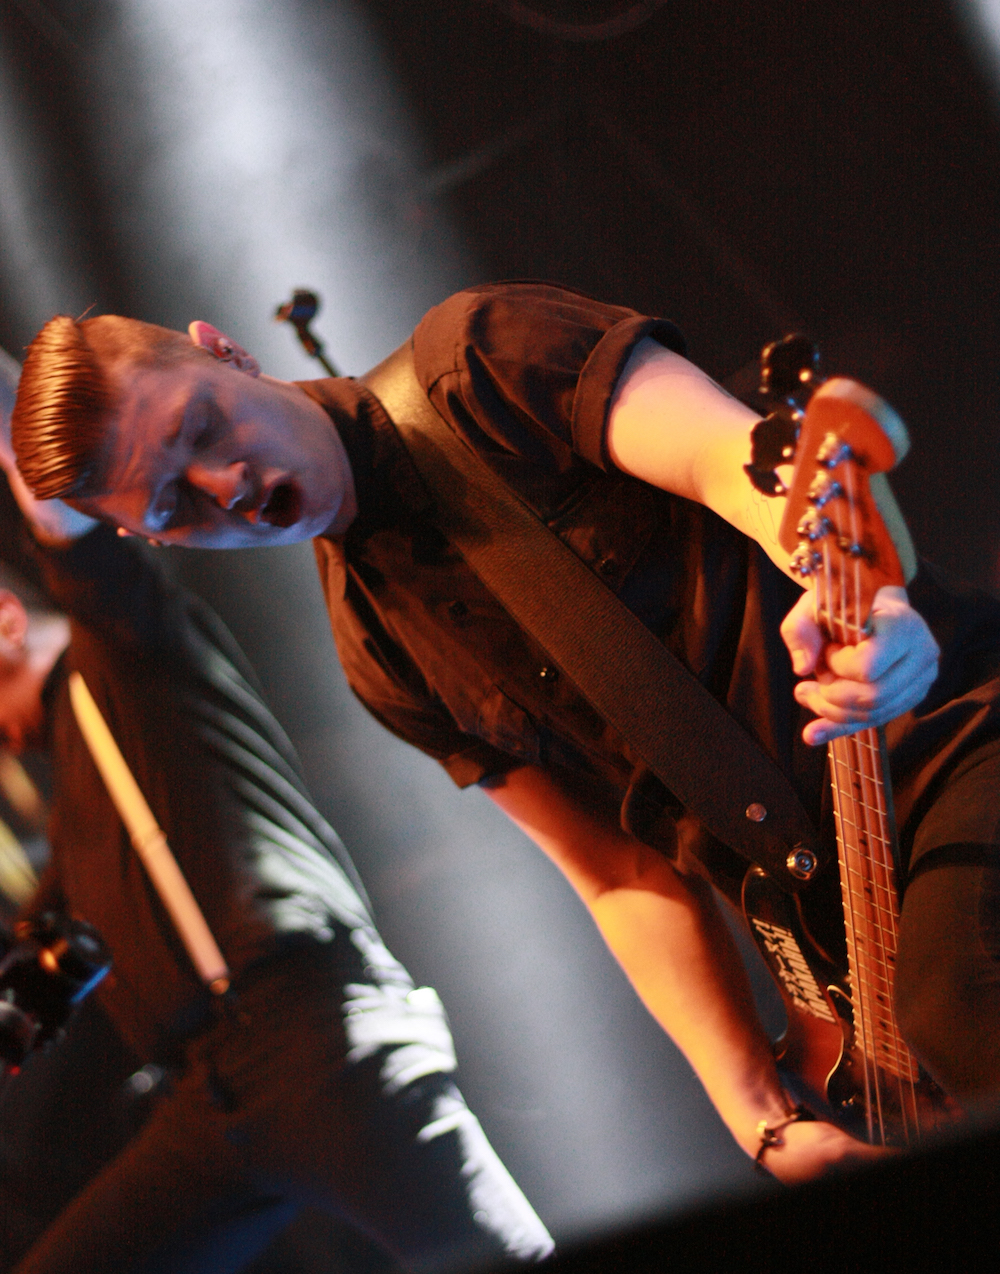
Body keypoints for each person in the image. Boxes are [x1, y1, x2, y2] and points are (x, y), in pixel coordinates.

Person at [11, 283, 1000, 1193]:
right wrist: (759, 1118)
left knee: (956, 1005)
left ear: (224, 351)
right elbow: (617, 872)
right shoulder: (375, 655)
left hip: (946, 747)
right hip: (830, 938)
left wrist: (870, 604)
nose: (223, 486)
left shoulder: (481, 359)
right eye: (173, 506)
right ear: (152, 541)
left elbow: (735, 464)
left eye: (201, 428)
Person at [0, 363, 553, 1274]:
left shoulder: (127, 645)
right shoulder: (74, 830)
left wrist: (21, 407)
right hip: (212, 1104)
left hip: (311, 1041)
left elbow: (50, 480)